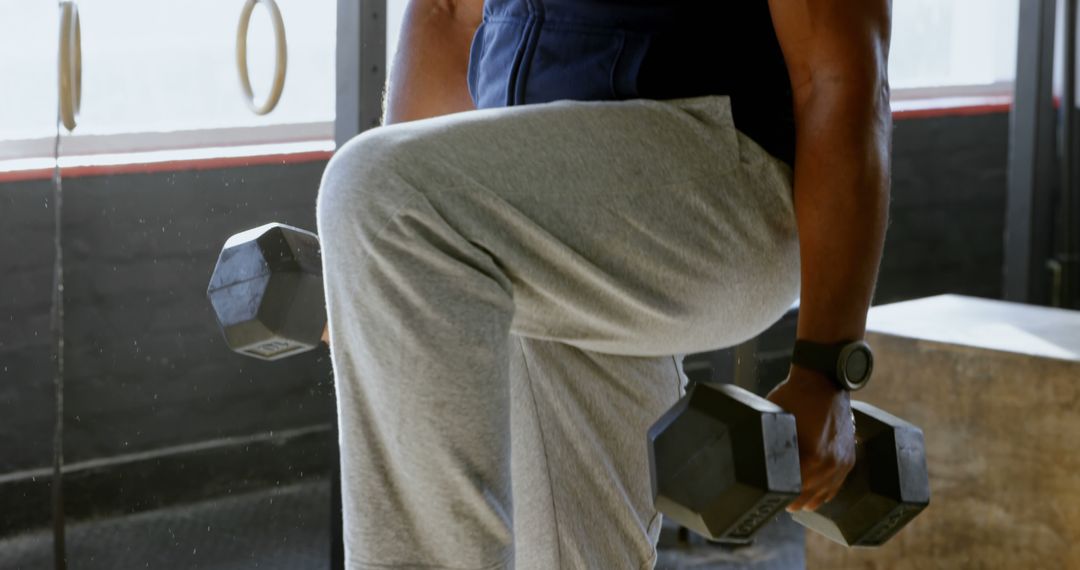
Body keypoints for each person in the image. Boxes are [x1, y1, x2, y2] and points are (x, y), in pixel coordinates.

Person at [316, 0, 891, 567]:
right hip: (543, 195)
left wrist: (827, 367)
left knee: (375, 191)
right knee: (576, 555)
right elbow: (447, 15)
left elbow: (836, 72)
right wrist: (385, 280)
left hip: (725, 171)